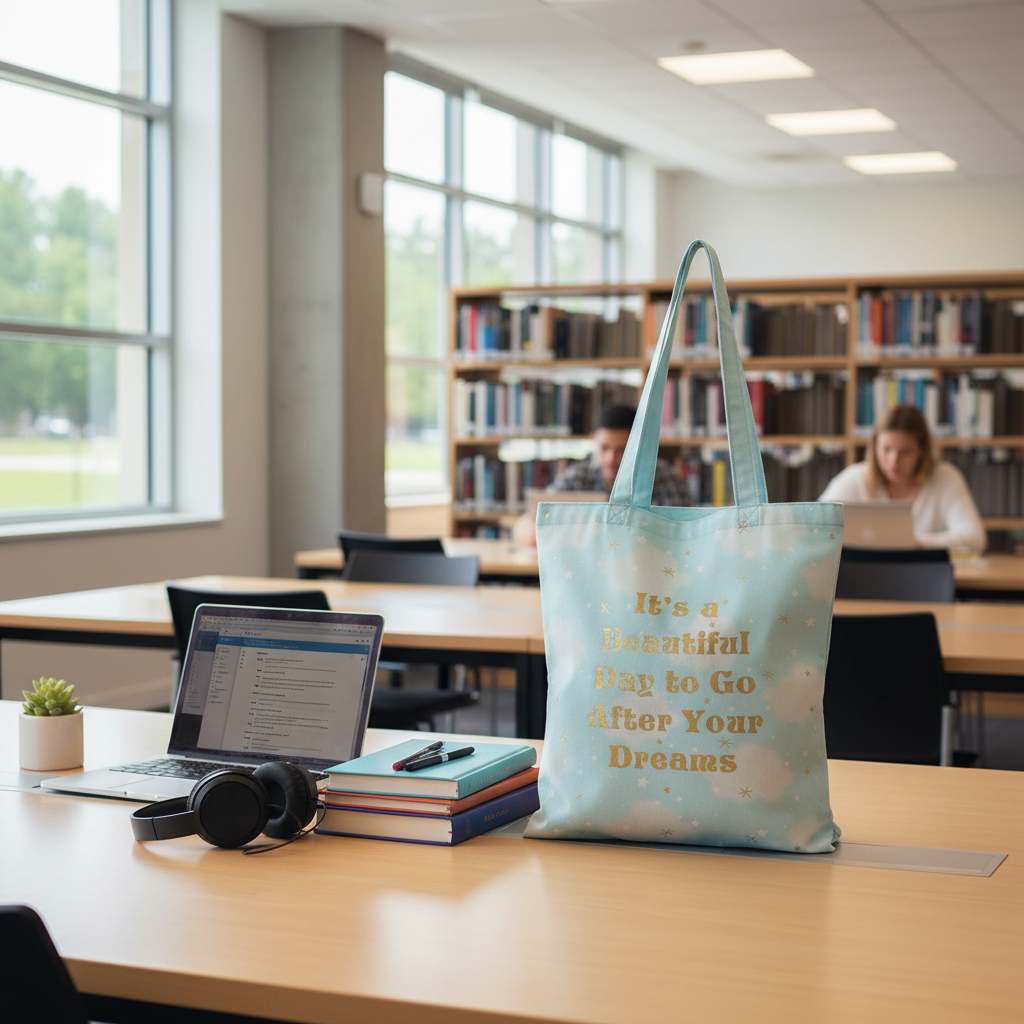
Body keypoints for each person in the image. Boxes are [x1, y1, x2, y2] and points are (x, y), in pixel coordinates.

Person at [513, 404, 690, 546]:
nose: (610, 458)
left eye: (621, 450)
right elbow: (529, 522)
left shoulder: (664, 478)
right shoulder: (579, 476)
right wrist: (531, 530)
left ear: (640, 448)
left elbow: (686, 533)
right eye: (604, 448)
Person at [818, 404, 986, 551]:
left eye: (905, 452)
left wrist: (915, 543)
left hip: (922, 579)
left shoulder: (945, 478)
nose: (893, 461)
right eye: (886, 449)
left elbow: (974, 539)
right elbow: (813, 528)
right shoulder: (854, 478)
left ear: (922, 451)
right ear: (874, 447)